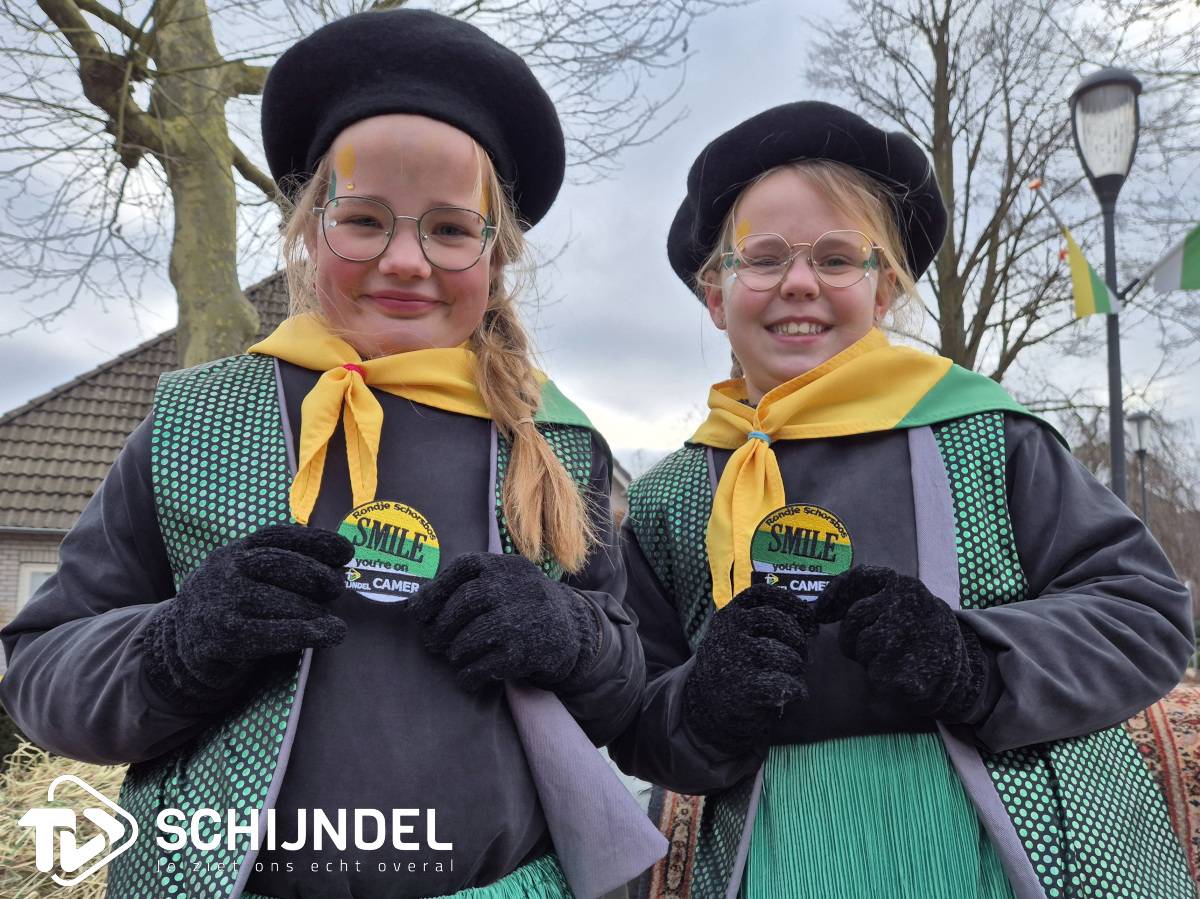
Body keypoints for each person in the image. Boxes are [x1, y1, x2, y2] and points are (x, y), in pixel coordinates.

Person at [0, 10, 664, 899]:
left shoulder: (554, 441)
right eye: (364, 219)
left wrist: (572, 639)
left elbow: (622, 689)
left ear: (496, 255)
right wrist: (175, 646)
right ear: (311, 229)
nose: (406, 260)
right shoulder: (196, 419)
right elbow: (40, 668)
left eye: (450, 229)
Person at [609, 101, 1196, 899]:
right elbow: (632, 711)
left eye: (837, 257)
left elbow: (1143, 614)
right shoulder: (672, 498)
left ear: (884, 287)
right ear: (716, 293)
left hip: (1001, 851)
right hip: (778, 858)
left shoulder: (988, 435)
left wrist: (978, 662)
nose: (800, 282)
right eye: (764, 257)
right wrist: (703, 707)